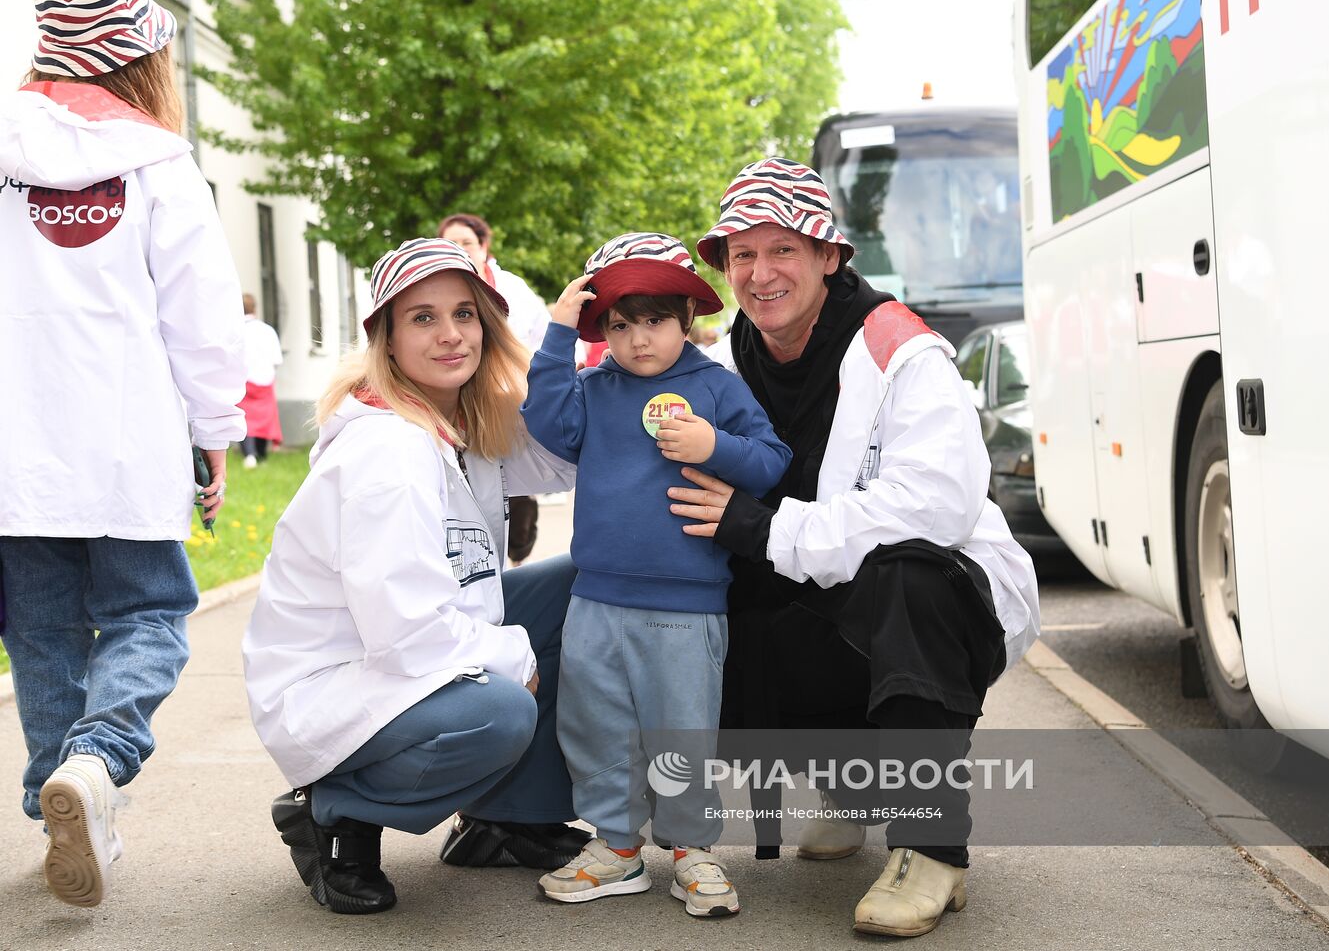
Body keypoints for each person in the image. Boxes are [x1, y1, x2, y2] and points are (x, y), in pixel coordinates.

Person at [669, 158, 1040, 938]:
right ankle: (855, 785)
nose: (760, 274)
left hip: (943, 605)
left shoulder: (901, 350)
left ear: (828, 256)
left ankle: (930, 847)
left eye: (783, 251)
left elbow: (934, 507)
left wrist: (763, 527)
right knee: (673, 605)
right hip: (823, 608)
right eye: (742, 255)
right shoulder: (724, 362)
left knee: (904, 574)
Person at [242, 238, 588, 915]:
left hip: (405, 646)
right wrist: (512, 654)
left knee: (584, 587)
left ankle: (506, 820)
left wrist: (584, 338)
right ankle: (336, 812)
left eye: (464, 314)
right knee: (497, 711)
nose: (451, 334)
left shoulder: (453, 422)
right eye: (422, 318)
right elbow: (406, 635)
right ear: (388, 340)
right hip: (338, 678)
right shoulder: (386, 455)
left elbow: (568, 459)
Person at [0, 0, 244, 908]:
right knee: (150, 616)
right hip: (128, 444)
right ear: (144, 50)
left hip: (17, 450)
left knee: (47, 634)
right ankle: (97, 765)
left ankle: (54, 793)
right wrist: (215, 430)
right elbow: (200, 314)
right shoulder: (159, 163)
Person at [521, 232, 791, 918]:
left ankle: (690, 849)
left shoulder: (714, 386)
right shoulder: (593, 387)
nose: (639, 339)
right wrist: (557, 334)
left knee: (681, 731)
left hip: (687, 604)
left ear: (686, 320)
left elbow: (770, 462)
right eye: (619, 323)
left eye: (654, 320)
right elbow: (546, 421)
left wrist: (714, 446)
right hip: (597, 598)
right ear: (601, 329)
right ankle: (615, 847)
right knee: (594, 726)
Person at [438, 213, 550, 565]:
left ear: (484, 248)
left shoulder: (512, 289)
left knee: (511, 495)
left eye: (466, 243)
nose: (451, 335)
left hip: (507, 406)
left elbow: (544, 338)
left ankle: (513, 556)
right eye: (450, 245)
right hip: (457, 406)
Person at [238, 293, 283, 468]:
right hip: (265, 379)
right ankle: (262, 455)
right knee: (264, 418)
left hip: (244, 381)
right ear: (254, 308)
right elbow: (277, 360)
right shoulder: (268, 330)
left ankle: (249, 454)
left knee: (245, 418)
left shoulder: (237, 331)